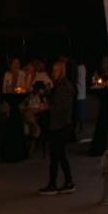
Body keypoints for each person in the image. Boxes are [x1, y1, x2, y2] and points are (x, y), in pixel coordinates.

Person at [37, 61, 76, 195]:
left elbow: (62, 107)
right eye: (53, 70)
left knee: (58, 155)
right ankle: (61, 183)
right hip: (57, 124)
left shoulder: (64, 86)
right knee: (57, 155)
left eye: (56, 70)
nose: (53, 73)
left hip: (61, 125)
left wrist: (47, 107)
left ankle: (61, 183)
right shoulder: (58, 85)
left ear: (62, 71)